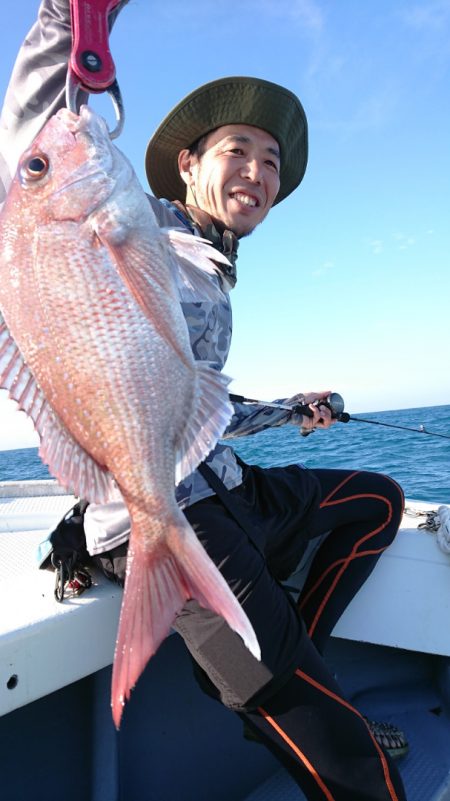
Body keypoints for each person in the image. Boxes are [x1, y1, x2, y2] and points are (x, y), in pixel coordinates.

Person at [0, 2, 408, 800]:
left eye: (272, 161)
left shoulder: (214, 267)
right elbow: (30, 146)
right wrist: (64, 20)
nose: (257, 171)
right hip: (166, 518)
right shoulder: (133, 224)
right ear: (187, 165)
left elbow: (194, 404)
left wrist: (291, 408)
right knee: (363, 774)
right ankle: (282, 687)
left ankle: (292, 664)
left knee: (378, 501)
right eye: (237, 150)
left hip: (226, 486)